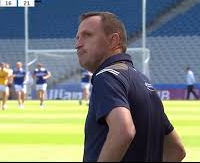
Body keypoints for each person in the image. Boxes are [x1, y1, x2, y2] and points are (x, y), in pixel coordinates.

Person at [75, 11, 186, 162]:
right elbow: (177, 150)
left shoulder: (107, 76)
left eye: (87, 35)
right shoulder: (143, 81)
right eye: (77, 37)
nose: (78, 44)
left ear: (113, 40)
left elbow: (123, 131)